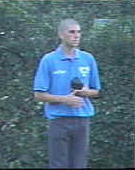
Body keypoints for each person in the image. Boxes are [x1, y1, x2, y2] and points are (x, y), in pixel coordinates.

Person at [33, 18, 101, 168]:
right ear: (61, 35)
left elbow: (96, 91)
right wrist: (65, 100)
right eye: (72, 32)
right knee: (58, 165)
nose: (76, 36)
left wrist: (85, 93)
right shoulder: (49, 60)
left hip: (82, 120)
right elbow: (38, 95)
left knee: (79, 165)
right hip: (59, 120)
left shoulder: (88, 59)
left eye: (79, 32)